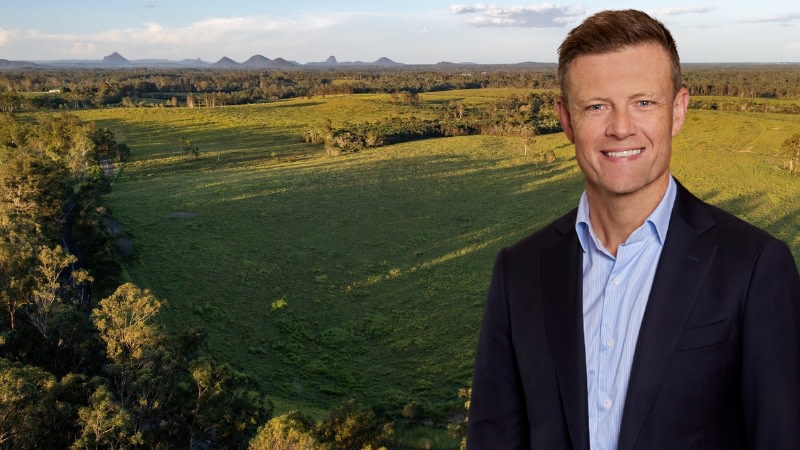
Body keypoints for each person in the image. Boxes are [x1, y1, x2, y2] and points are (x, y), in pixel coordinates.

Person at [466, 9, 800, 450]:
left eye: (643, 103)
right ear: (566, 120)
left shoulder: (755, 267)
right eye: (597, 106)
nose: (621, 128)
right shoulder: (519, 272)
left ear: (678, 110)